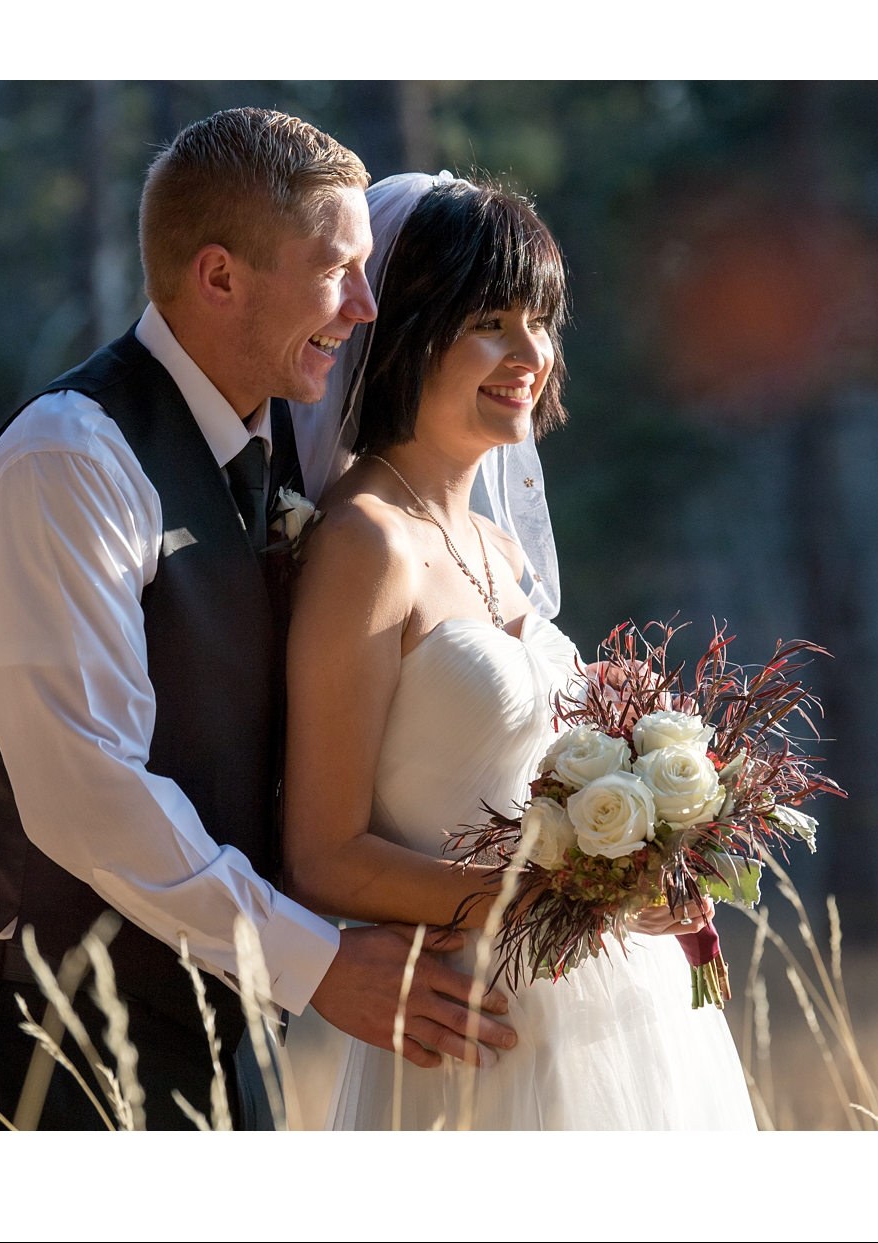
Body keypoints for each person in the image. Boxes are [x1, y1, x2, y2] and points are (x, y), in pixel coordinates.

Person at [0, 112, 516, 1130]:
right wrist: (317, 961)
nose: (365, 309)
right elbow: (88, 793)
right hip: (54, 1056)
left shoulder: (297, 443)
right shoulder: (70, 461)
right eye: (339, 272)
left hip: (234, 1043)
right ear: (221, 277)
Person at [282, 174, 758, 1129]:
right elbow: (322, 855)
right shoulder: (366, 543)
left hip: (627, 1017)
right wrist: (557, 900)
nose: (531, 352)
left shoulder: (501, 549)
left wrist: (640, 866)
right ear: (408, 328)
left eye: (542, 318)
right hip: (478, 1027)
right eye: (491, 319)